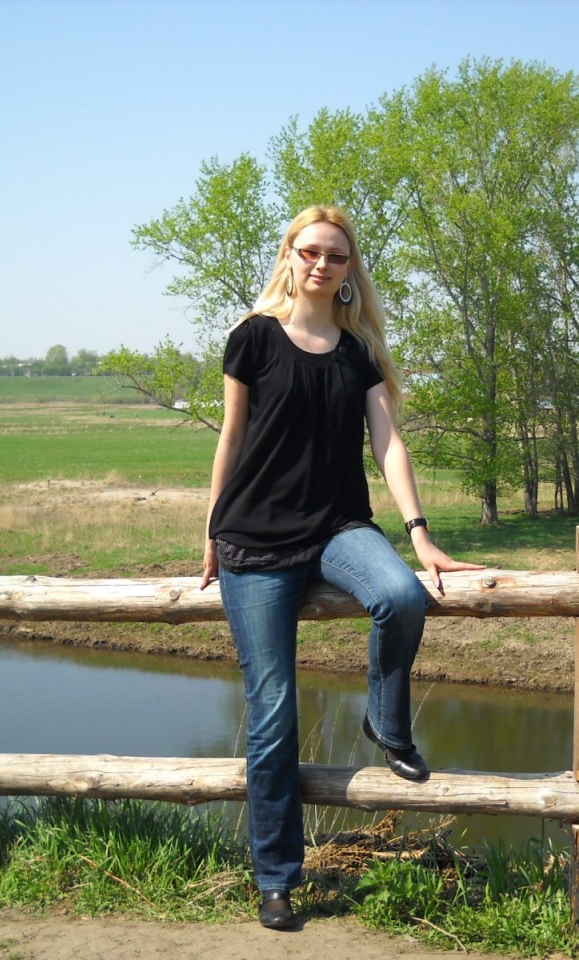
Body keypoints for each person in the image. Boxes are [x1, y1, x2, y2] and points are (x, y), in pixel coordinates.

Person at [199, 205, 483, 930]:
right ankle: (277, 879)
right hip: (255, 537)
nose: (322, 264)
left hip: (337, 526)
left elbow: (389, 444)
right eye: (311, 252)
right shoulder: (252, 337)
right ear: (289, 256)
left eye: (336, 255)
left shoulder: (359, 352)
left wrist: (419, 534)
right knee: (273, 714)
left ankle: (386, 723)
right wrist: (211, 531)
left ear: (351, 269)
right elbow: (231, 438)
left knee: (400, 596)